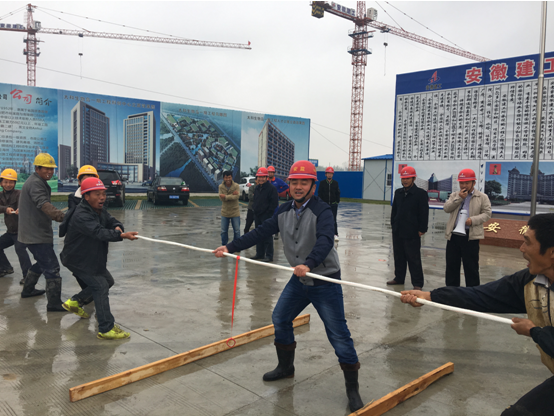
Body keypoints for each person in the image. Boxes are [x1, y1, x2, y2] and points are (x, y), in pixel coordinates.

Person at [213, 160, 364, 412]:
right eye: (294, 182)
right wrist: (230, 247)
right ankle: (286, 367)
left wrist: (310, 263)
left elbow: (326, 239)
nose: (298, 187)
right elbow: (260, 232)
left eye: (304, 182)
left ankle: (353, 389)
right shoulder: (283, 211)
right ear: (289, 185)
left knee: (338, 334)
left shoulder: (323, 211)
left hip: (324, 280)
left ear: (313, 186)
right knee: (280, 318)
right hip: (299, 279)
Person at [400, 213, 554, 416]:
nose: (521, 248)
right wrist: (431, 296)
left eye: (528, 242)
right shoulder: (529, 282)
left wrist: (535, 332)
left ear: (551, 252)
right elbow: (480, 296)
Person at [59, 177, 138, 339]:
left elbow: (110, 220)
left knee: (107, 281)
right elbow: (98, 232)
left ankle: (76, 301)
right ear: (86, 196)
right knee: (101, 286)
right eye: (97, 194)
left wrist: (117, 226)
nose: (102, 197)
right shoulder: (81, 214)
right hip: (78, 259)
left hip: (91, 257)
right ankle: (106, 328)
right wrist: (121, 235)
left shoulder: (98, 209)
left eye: (103, 194)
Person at [19, 153, 67, 310]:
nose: (50, 172)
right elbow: (43, 203)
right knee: (52, 267)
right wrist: (62, 217)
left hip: (34, 232)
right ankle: (54, 304)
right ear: (37, 168)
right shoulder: (35, 183)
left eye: (52, 169)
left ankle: (28, 290)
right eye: (46, 168)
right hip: (36, 234)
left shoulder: (38, 181)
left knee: (41, 263)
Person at [443, 168, 491, 287]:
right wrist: (459, 198)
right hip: (454, 236)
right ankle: (451, 292)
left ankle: (472, 293)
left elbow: (487, 214)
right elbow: (446, 208)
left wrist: (472, 220)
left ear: (474, 183)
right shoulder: (455, 195)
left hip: (470, 236)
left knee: (471, 268)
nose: (464, 185)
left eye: (467, 183)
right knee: (452, 266)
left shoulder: (482, 197)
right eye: (461, 183)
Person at [387, 166, 429, 290]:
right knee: (398, 256)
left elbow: (424, 213)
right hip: (398, 230)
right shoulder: (398, 193)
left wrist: (422, 228)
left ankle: (417, 283)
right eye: (403, 178)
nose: (405, 181)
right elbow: (394, 211)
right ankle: (399, 278)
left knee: (413, 258)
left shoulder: (420, 194)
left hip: (412, 231)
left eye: (408, 178)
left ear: (413, 178)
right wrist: (393, 224)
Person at [0, 169, 32, 285]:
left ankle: (28, 277)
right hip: (10, 232)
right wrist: (5, 209)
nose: (8, 184)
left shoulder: (19, 194)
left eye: (11, 182)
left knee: (20, 250)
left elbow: (25, 205)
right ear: (1, 183)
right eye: (5, 182)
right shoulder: (0, 195)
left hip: (21, 231)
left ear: (15, 183)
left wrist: (20, 209)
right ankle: (5, 268)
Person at [251, 167, 278, 262]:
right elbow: (255, 200)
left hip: (266, 216)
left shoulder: (271, 189)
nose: (261, 179)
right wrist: (255, 210)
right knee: (258, 235)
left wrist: (268, 213)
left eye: (263, 177)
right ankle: (259, 254)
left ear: (266, 177)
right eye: (259, 177)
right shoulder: (257, 188)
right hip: (257, 215)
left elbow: (274, 203)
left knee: (267, 235)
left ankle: (269, 255)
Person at [317, 166, 341, 241]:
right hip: (324, 205)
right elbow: (320, 193)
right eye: (328, 173)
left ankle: (335, 234)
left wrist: (337, 201)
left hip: (333, 204)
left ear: (332, 175)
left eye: (331, 173)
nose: (329, 175)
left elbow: (337, 193)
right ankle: (323, 234)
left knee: (333, 220)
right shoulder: (322, 183)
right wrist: (321, 203)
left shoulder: (335, 183)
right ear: (326, 174)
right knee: (323, 219)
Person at [218, 171, 241, 246]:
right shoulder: (221, 187)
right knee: (223, 231)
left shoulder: (236, 186)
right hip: (225, 212)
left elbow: (237, 197)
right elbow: (221, 198)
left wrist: (225, 196)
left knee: (237, 231)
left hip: (235, 212)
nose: (228, 179)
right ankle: (224, 246)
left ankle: (236, 246)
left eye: (229, 177)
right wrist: (231, 195)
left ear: (232, 177)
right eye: (226, 177)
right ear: (223, 178)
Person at [268, 166, 289, 240]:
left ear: (274, 173)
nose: (270, 174)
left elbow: (286, 186)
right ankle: (268, 233)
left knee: (275, 217)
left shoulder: (278, 181)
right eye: (269, 172)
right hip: (266, 202)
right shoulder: (266, 181)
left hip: (274, 202)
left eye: (272, 172)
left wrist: (278, 191)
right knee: (267, 217)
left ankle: (276, 233)